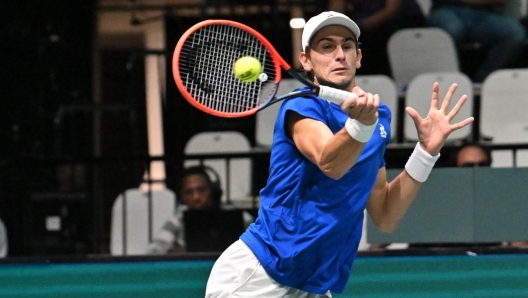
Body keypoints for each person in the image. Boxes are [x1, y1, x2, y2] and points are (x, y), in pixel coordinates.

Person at [205, 11, 473, 297]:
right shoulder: (302, 107)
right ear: (306, 60)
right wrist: (360, 125)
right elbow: (329, 161)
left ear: (358, 57)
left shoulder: (377, 117)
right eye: (326, 46)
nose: (339, 54)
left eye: (346, 46)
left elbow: (385, 215)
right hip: (261, 273)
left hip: (315, 284)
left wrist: (425, 153)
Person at [146, 166, 253, 254]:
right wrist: (171, 252)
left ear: (213, 191)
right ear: (182, 198)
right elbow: (153, 251)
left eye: (202, 190)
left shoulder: (233, 214)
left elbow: (263, 241)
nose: (196, 197)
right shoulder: (178, 218)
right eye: (189, 192)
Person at [428, 0, 526, 83]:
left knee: (514, 33)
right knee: (452, 29)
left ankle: (482, 81)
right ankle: (450, 80)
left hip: (484, 14)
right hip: (446, 9)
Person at [328, 0, 426, 76]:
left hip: (400, 21)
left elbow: (391, 10)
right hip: (364, 25)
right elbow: (336, 8)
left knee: (368, 41)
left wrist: (361, 27)